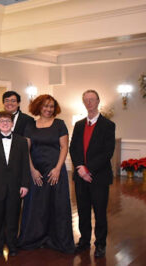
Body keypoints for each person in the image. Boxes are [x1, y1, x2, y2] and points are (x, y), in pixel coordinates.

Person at [18, 94, 75, 254]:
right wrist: (32, 170)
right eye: (45, 106)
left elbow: (64, 147)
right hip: (36, 171)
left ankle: (58, 240)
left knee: (57, 205)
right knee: (36, 206)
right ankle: (35, 237)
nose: (48, 109)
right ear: (38, 107)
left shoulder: (59, 124)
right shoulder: (30, 125)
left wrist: (57, 169)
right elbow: (26, 149)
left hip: (55, 170)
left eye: (51, 106)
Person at [70, 90, 115, 258]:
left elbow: (107, 152)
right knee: (82, 211)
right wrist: (80, 168)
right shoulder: (79, 124)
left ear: (98, 101)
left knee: (100, 212)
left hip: (99, 177)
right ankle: (84, 241)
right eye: (86, 100)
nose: (89, 103)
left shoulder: (108, 125)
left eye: (92, 99)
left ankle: (101, 244)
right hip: (81, 177)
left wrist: (88, 169)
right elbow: (73, 148)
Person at [0, 111, 30, 257]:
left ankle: (11, 243)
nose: (5, 123)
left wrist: (25, 184)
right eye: (2, 121)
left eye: (8, 121)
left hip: (16, 186)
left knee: (13, 216)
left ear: (12, 123)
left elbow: (25, 165)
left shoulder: (22, 141)